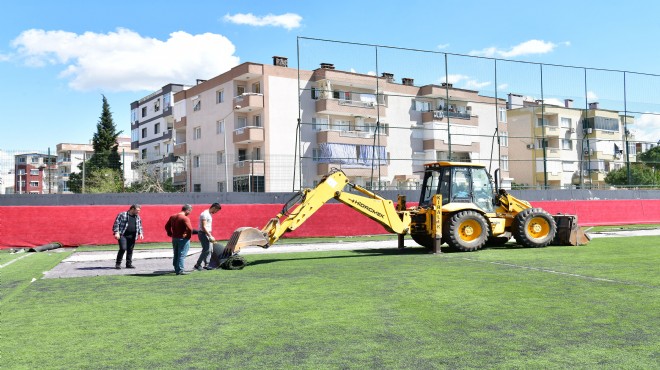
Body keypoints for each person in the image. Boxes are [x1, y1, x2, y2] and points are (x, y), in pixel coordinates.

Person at [112, 204, 144, 269]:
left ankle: (128, 264)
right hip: (123, 235)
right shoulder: (122, 214)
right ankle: (118, 264)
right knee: (123, 248)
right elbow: (116, 223)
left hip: (132, 235)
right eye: (137, 210)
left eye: (139, 210)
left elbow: (139, 225)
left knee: (130, 250)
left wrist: (141, 233)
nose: (138, 212)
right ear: (132, 209)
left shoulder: (137, 217)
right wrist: (116, 232)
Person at [165, 204, 193, 275]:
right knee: (182, 254)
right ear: (187, 210)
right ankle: (180, 270)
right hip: (183, 238)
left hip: (174, 238)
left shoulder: (173, 217)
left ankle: (176, 268)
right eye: (190, 211)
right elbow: (190, 229)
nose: (189, 213)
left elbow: (167, 226)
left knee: (176, 253)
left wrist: (169, 233)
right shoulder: (185, 218)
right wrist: (188, 236)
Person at [194, 202, 222, 271]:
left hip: (207, 233)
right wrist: (209, 235)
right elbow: (203, 227)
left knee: (210, 250)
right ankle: (197, 264)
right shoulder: (205, 214)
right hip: (203, 233)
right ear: (214, 208)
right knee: (206, 250)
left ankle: (207, 264)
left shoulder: (209, 214)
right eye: (217, 210)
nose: (216, 212)